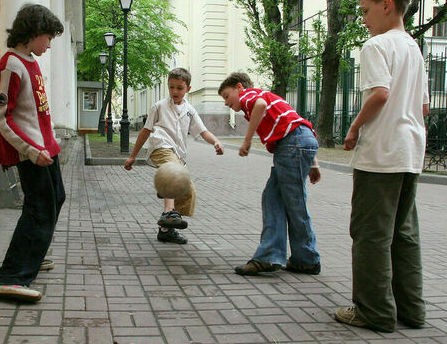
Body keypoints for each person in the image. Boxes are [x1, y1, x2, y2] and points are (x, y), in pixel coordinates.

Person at [335, 0, 429, 333]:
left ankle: (373, 311)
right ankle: (411, 310)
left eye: (366, 11)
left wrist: (355, 127)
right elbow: (424, 106)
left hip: (382, 153)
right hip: (410, 151)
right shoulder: (413, 48)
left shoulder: (377, 46)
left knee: (371, 232)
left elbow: (379, 94)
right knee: (404, 232)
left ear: (386, 5)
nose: (363, 19)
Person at [0, 3, 66, 302]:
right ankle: (11, 276)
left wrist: (49, 144)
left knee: (54, 199)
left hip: (47, 148)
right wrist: (31, 151)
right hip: (33, 152)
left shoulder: (29, 61)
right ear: (32, 32)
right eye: (47, 36)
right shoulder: (11, 65)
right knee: (39, 208)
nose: (49, 43)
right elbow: (2, 117)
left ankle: (33, 254)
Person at [218, 71, 322, 276]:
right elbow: (297, 122)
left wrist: (247, 140)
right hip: (297, 143)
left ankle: (306, 258)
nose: (226, 103)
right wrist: (314, 163)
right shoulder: (269, 96)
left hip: (292, 145)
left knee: (295, 203)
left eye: (226, 96)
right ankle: (274, 256)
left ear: (239, 87)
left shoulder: (250, 95)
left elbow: (260, 107)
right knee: (273, 198)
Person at [124, 68, 223, 244]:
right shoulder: (158, 107)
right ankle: (169, 211)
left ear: (188, 89)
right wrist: (132, 156)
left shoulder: (190, 110)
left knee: (187, 189)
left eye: (179, 88)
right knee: (173, 173)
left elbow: (202, 131)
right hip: (160, 148)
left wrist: (215, 141)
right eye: (171, 87)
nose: (175, 91)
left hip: (178, 154)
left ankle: (166, 229)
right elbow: (145, 131)